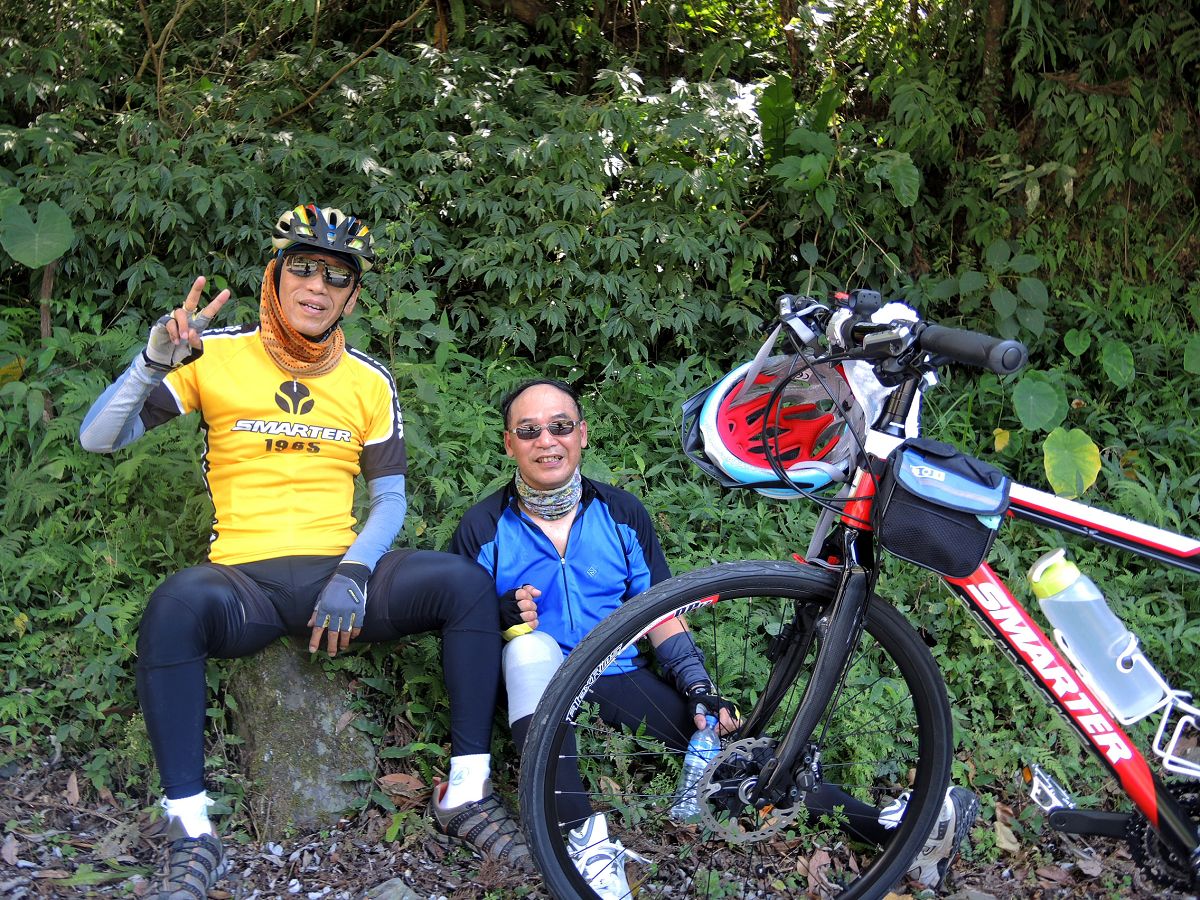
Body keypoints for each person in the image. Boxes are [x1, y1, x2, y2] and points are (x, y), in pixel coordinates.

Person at [79, 204, 531, 898]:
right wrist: (151, 363)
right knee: (173, 605)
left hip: (339, 577)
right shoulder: (214, 355)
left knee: (464, 584)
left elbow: (390, 500)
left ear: (352, 296)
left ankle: (467, 792)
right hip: (245, 586)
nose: (317, 286)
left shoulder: (368, 380)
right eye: (303, 267)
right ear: (276, 274)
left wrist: (354, 571)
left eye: (336, 276)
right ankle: (191, 830)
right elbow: (98, 440)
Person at [451, 378, 979, 899]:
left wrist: (698, 687)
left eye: (560, 426)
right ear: (509, 443)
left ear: (582, 434)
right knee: (528, 649)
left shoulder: (621, 512)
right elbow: (463, 635)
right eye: (529, 431)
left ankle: (894, 832)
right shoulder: (482, 527)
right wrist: (498, 617)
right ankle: (583, 844)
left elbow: (660, 612)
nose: (547, 441)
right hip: (538, 679)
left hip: (616, 671)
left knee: (734, 752)